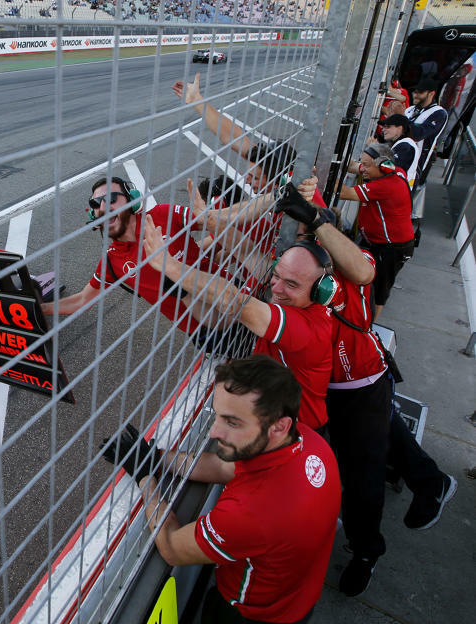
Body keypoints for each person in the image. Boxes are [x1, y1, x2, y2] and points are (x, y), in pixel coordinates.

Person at [278, 180, 458, 596]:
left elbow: (363, 269)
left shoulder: (347, 266)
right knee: (387, 437)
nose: (301, 247)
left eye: (310, 238)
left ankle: (365, 551)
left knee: (363, 477)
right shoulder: (297, 276)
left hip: (363, 383)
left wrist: (315, 218)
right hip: (338, 389)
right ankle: (432, 482)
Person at [104, 355, 340, 624]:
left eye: (232, 422)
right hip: (297, 597)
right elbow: (224, 466)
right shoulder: (308, 442)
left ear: (279, 426)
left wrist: (145, 478)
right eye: (216, 415)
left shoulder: (251, 512)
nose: (214, 431)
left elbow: (173, 547)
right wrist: (156, 457)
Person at [143, 211, 337, 434]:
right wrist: (181, 288)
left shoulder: (309, 329)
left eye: (291, 284)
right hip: (273, 416)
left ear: (319, 292)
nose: (276, 288)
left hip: (299, 431)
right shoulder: (291, 299)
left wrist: (169, 265)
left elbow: (234, 302)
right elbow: (245, 253)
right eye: (276, 275)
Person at [40, 176, 264, 353]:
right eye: (95, 203)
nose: (102, 206)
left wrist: (271, 199)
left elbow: (217, 219)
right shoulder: (112, 261)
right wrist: (40, 309)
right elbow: (81, 299)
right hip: (210, 332)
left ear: (132, 200)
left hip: (237, 293)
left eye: (110, 198)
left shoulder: (162, 215)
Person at [172, 73, 298, 196]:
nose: (246, 181)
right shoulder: (279, 186)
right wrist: (197, 100)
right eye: (249, 175)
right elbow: (231, 136)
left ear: (278, 180)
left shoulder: (299, 204)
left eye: (255, 178)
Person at [335, 144, 413, 318]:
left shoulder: (386, 186)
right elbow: (357, 167)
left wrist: (320, 174)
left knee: (379, 289)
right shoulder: (395, 171)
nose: (363, 169)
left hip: (391, 248)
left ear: (384, 166)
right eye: (363, 163)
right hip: (376, 242)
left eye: (368, 165)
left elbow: (344, 192)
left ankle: (369, 328)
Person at [402, 76, 447, 188]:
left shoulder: (439, 113)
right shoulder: (410, 109)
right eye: (415, 92)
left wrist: (401, 120)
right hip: (397, 158)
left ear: (431, 94)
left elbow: (418, 134)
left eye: (420, 92)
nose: (415, 95)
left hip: (413, 167)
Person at [377, 114, 421, 188]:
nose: (383, 130)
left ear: (400, 128)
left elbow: (390, 168)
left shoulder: (406, 146)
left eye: (388, 127)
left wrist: (374, 151)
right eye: (384, 127)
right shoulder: (402, 144)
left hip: (397, 194)